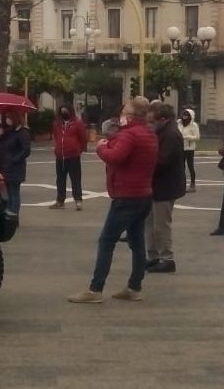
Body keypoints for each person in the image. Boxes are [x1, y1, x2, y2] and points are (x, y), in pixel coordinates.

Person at [68, 97, 158, 304]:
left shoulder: (130, 134)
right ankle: (135, 286)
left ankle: (95, 289)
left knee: (107, 240)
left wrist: (101, 147)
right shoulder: (149, 134)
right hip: (144, 194)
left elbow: (116, 157)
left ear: (132, 115)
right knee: (137, 242)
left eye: (125, 111)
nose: (121, 114)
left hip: (126, 196)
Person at [146, 104, 185, 274]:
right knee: (151, 224)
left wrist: (144, 164)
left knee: (161, 224)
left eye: (152, 121)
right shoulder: (163, 132)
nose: (150, 124)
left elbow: (162, 161)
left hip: (165, 185)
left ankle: (167, 258)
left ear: (163, 119)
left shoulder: (171, 135)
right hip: (156, 185)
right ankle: (153, 256)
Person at [0, 110, 31, 216]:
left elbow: (26, 150)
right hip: (4, 166)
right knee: (7, 192)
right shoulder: (7, 132)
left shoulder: (22, 132)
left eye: (9, 118)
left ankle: (14, 215)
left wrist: (14, 160)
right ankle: (8, 213)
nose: (7, 120)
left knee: (14, 192)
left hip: (15, 167)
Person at [51, 103, 87, 210]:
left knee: (75, 179)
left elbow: (83, 138)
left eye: (66, 110)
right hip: (60, 156)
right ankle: (60, 201)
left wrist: (78, 150)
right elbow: (56, 137)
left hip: (73, 156)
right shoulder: (57, 124)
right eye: (62, 111)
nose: (64, 113)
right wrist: (57, 149)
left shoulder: (77, 123)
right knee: (60, 180)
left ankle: (78, 201)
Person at [178, 109, 200, 192]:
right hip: (180, 148)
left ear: (190, 116)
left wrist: (187, 137)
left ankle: (192, 184)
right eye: (183, 115)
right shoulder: (179, 123)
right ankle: (181, 185)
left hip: (190, 149)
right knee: (181, 167)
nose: (184, 117)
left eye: (186, 115)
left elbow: (197, 137)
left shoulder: (194, 125)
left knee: (190, 166)